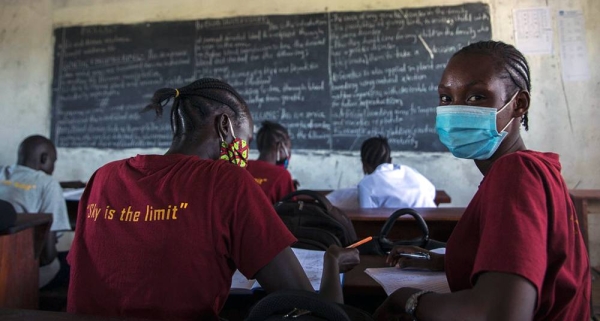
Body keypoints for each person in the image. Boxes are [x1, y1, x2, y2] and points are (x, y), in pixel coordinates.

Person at [67, 78, 359, 321]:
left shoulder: (102, 177)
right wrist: (332, 262)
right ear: (224, 127)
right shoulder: (227, 180)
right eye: (245, 140)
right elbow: (311, 308)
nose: (244, 152)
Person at [374, 41, 590, 321]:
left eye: (477, 97)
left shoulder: (516, 173)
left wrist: (407, 298)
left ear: (519, 104)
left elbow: (498, 314)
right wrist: (441, 261)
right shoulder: (534, 169)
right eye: (446, 98)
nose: (456, 110)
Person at [0, 135, 71, 289]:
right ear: (44, 158)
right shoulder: (48, 183)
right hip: (17, 274)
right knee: (77, 265)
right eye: (54, 161)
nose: (53, 167)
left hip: (4, 264)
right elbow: (47, 256)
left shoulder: (1, 171)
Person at [327, 136, 436, 209]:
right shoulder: (411, 172)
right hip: (429, 230)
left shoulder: (367, 184)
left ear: (364, 165)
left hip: (397, 237)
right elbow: (432, 192)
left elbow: (367, 216)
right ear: (390, 161)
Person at [246, 120, 296, 204]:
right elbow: (291, 210)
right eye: (288, 147)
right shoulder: (282, 175)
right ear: (280, 146)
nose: (289, 152)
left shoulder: (243, 166)